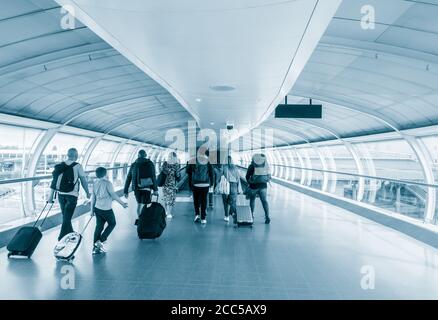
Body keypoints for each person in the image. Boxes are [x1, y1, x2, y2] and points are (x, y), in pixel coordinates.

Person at [48, 148, 91, 241]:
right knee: (67, 217)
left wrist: (50, 196)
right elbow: (83, 180)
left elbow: (54, 182)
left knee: (66, 216)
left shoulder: (60, 165)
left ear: (68, 155)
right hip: (72, 195)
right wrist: (87, 192)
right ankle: (62, 237)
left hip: (60, 194)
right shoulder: (78, 166)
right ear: (76, 156)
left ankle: (70, 234)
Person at [91, 167, 128, 254]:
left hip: (97, 208)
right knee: (112, 223)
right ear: (105, 174)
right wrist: (122, 203)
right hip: (106, 209)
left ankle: (95, 248)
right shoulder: (108, 183)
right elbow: (113, 195)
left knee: (99, 226)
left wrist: (91, 210)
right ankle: (100, 240)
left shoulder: (95, 183)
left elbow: (93, 197)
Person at [124, 150, 158, 224]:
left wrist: (125, 191)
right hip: (147, 187)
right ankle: (146, 221)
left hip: (136, 188)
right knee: (146, 205)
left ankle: (141, 220)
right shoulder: (150, 163)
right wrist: (155, 189)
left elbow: (129, 177)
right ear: (145, 155)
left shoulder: (134, 164)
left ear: (138, 155)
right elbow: (153, 176)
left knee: (139, 204)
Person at [186, 148, 214, 224]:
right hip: (205, 184)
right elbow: (211, 173)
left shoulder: (193, 160)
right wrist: (212, 184)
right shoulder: (208, 161)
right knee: (204, 200)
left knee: (196, 200)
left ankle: (197, 215)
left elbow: (187, 171)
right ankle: (203, 218)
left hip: (196, 184)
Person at [245, 153, 271, 224]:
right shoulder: (266, 166)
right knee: (264, 201)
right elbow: (269, 176)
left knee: (252, 200)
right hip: (263, 186)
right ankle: (267, 216)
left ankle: (252, 215)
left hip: (254, 187)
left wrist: (250, 182)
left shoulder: (251, 166)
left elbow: (247, 176)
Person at [220, 156, 242, 223]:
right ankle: (234, 216)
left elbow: (220, 176)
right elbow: (238, 179)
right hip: (234, 186)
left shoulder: (223, 167)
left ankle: (226, 216)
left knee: (225, 202)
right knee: (233, 202)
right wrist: (239, 189)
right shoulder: (235, 168)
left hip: (225, 185)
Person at [160, 152, 180, 219]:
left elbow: (163, 171)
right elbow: (178, 176)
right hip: (171, 184)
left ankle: (166, 212)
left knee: (166, 198)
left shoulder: (165, 163)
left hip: (165, 184)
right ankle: (169, 213)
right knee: (170, 199)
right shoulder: (176, 165)